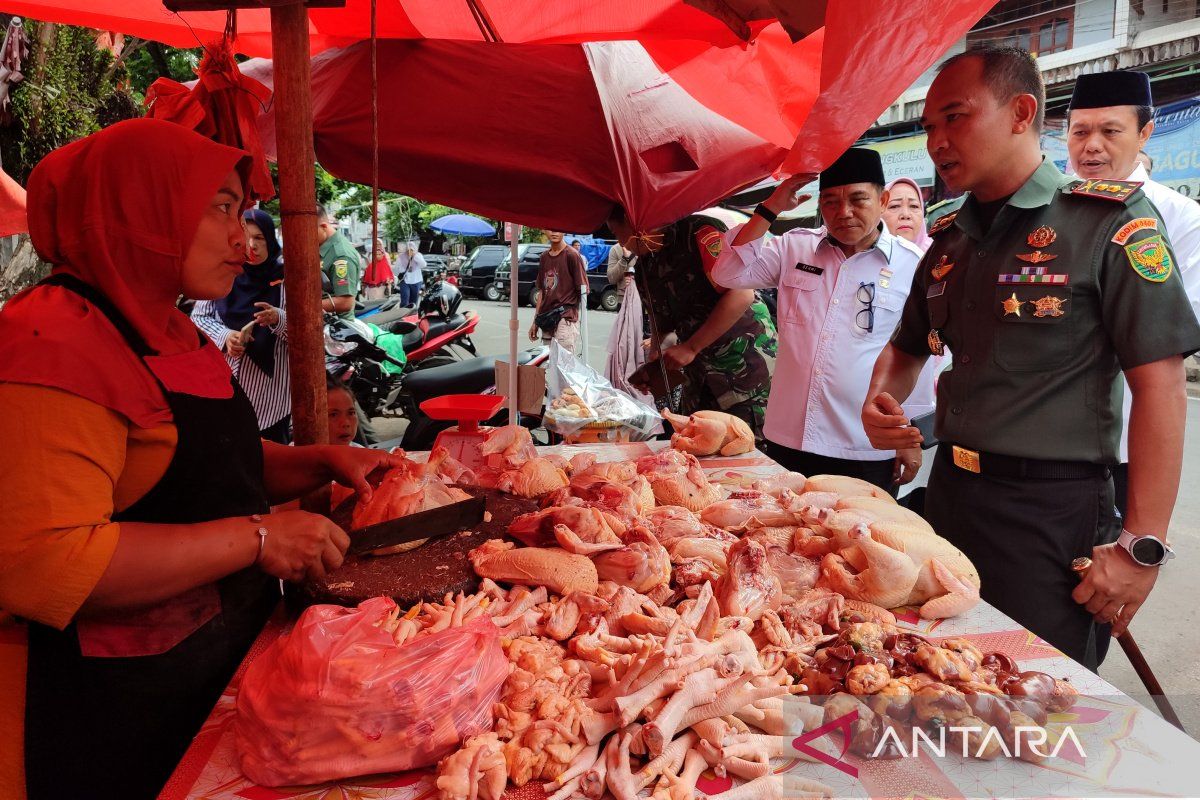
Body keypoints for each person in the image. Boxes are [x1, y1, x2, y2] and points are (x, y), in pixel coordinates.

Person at [0, 119, 403, 798]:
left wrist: (320, 460)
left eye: (242, 211)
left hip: (212, 668)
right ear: (136, 206)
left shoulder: (174, 326)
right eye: (219, 207)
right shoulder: (51, 341)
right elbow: (41, 562)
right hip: (102, 709)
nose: (244, 242)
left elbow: (209, 465)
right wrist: (259, 537)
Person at [861, 45, 1200, 669]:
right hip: (952, 496)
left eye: (955, 117)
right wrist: (881, 396)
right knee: (934, 678)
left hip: (1050, 514)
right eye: (930, 125)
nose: (937, 140)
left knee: (1032, 706)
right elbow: (906, 347)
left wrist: (1139, 546)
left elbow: (1161, 387)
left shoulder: (1107, 222)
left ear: (1021, 112)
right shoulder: (949, 242)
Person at [712, 149, 930, 492]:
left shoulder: (913, 265)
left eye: (858, 199)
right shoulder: (794, 249)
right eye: (830, 202)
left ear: (883, 199)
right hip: (789, 438)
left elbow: (922, 359)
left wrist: (909, 437)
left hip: (864, 445)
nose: (843, 213)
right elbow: (728, 273)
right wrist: (770, 209)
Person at [1065, 69, 1200, 516]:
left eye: (1110, 131)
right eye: (1080, 131)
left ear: (1145, 133)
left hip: (1121, 440)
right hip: (1035, 437)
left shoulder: (1178, 217)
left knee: (1107, 571)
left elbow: (1179, 325)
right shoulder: (1045, 206)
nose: (1092, 145)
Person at [609, 210, 777, 441]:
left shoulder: (697, 231)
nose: (620, 243)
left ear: (637, 222)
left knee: (744, 446)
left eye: (617, 232)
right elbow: (663, 327)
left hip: (744, 365)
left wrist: (690, 348)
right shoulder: (645, 268)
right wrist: (657, 364)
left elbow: (741, 294)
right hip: (699, 376)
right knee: (698, 445)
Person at [192, 209, 292, 444]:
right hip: (226, 386)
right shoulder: (223, 273)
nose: (252, 245)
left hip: (273, 397)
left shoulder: (289, 278)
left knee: (274, 464)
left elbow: (311, 330)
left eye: (259, 238)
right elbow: (199, 318)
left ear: (270, 239)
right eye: (247, 236)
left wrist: (278, 319)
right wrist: (227, 337)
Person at [529, 230, 588, 352]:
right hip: (546, 318)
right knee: (547, 364)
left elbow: (583, 290)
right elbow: (542, 292)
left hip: (565, 318)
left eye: (557, 228)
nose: (554, 232)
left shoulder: (572, 255)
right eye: (550, 229)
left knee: (563, 366)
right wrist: (535, 321)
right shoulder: (544, 257)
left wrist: (574, 316)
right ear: (543, 230)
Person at [317, 204, 361, 319]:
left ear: (323, 227)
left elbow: (345, 302)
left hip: (335, 329)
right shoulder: (321, 246)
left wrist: (302, 307)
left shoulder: (340, 255)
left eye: (308, 232)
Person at [882, 177, 933, 250]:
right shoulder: (867, 257)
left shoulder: (937, 253)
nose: (906, 215)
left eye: (914, 206)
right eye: (894, 206)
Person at [327, 374, 360, 447]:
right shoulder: (300, 457)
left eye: (351, 413)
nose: (346, 423)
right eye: (333, 415)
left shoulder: (364, 454)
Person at [396, 241, 426, 307]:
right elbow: (397, 268)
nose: (409, 251)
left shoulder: (418, 255)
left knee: (413, 301)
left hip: (416, 281)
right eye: (408, 249)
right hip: (405, 281)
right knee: (405, 300)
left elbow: (423, 265)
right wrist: (407, 264)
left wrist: (414, 256)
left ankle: (411, 315)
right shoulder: (401, 257)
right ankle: (402, 314)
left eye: (412, 249)